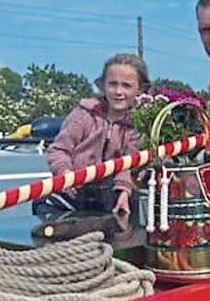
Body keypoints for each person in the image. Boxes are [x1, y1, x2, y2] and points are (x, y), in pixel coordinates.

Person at [46, 53, 149, 215]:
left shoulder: (138, 125)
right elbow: (58, 149)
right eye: (112, 84)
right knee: (44, 201)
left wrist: (124, 190)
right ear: (102, 86)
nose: (118, 92)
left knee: (132, 204)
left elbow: (131, 163)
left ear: (140, 89)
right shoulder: (83, 115)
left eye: (126, 86)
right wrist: (64, 173)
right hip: (76, 188)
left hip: (113, 191)